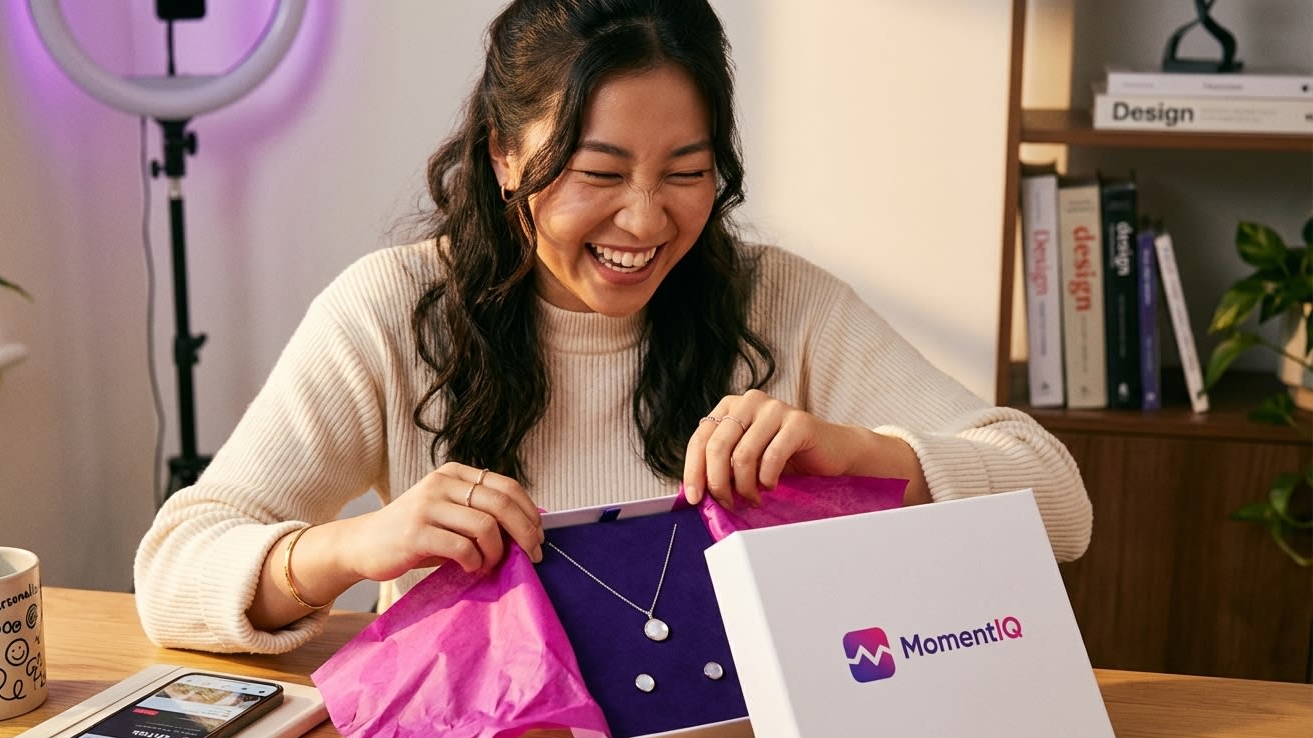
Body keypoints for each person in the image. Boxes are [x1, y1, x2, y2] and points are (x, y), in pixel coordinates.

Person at [134, 0, 1092, 654]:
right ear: (506, 154)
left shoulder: (779, 304)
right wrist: (350, 548)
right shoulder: (392, 312)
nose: (645, 221)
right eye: (596, 173)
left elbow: (1059, 505)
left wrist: (855, 450)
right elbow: (172, 570)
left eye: (686, 172)